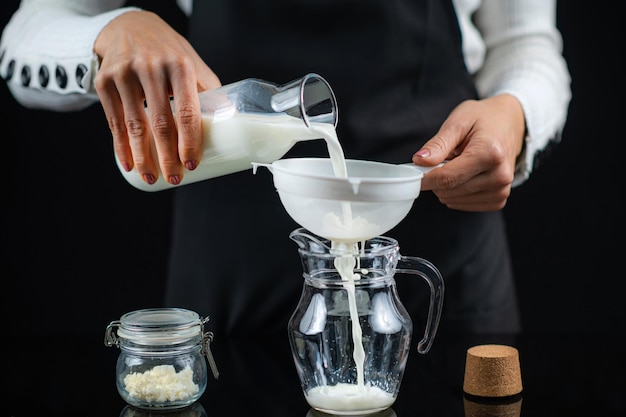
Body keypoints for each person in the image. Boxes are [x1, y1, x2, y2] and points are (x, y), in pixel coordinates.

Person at [0, 0, 570, 344]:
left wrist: (516, 113)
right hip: (230, 256)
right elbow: (24, 37)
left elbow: (526, 42)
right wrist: (113, 29)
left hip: (435, 258)